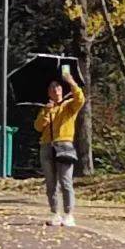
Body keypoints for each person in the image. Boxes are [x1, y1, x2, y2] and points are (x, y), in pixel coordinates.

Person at [35, 63, 86, 227]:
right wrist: (46, 113)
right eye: (52, 88)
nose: (55, 90)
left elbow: (81, 99)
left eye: (58, 87)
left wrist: (71, 81)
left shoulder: (69, 106)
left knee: (66, 181)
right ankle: (54, 213)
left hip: (64, 145)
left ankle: (69, 214)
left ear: (62, 90)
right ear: (48, 92)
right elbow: (37, 127)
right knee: (51, 183)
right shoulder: (46, 108)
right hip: (46, 146)